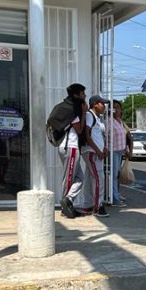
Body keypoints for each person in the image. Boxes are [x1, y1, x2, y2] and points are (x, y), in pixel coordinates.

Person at [58, 83, 88, 219]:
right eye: (83, 93)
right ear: (76, 95)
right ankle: (66, 206)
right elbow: (80, 130)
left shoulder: (69, 108)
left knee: (79, 178)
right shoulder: (73, 111)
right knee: (69, 178)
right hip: (71, 147)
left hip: (67, 147)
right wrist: (83, 113)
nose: (85, 95)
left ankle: (68, 200)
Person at [81, 95, 109, 218]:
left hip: (95, 151)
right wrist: (98, 151)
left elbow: (98, 135)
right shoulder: (89, 115)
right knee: (98, 178)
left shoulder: (97, 118)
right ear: (95, 104)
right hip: (92, 151)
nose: (104, 106)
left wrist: (104, 148)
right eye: (102, 103)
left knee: (90, 177)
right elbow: (87, 135)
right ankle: (98, 206)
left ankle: (88, 204)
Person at [109, 100, 132, 206]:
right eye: (114, 107)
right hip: (113, 151)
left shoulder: (120, 121)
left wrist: (127, 149)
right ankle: (114, 198)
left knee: (116, 175)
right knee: (113, 176)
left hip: (120, 151)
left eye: (118, 107)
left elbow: (126, 137)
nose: (116, 110)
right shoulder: (109, 121)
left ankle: (116, 195)